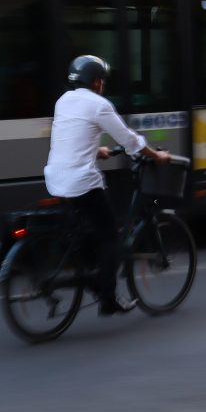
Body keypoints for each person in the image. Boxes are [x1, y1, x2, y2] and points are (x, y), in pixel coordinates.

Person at [44, 55, 173, 316]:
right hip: (81, 182)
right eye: (102, 80)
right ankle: (108, 299)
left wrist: (95, 150)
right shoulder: (99, 104)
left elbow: (73, 139)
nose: (103, 84)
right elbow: (130, 141)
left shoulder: (63, 101)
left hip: (55, 178)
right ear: (95, 82)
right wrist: (156, 155)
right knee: (110, 236)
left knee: (90, 231)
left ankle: (92, 275)